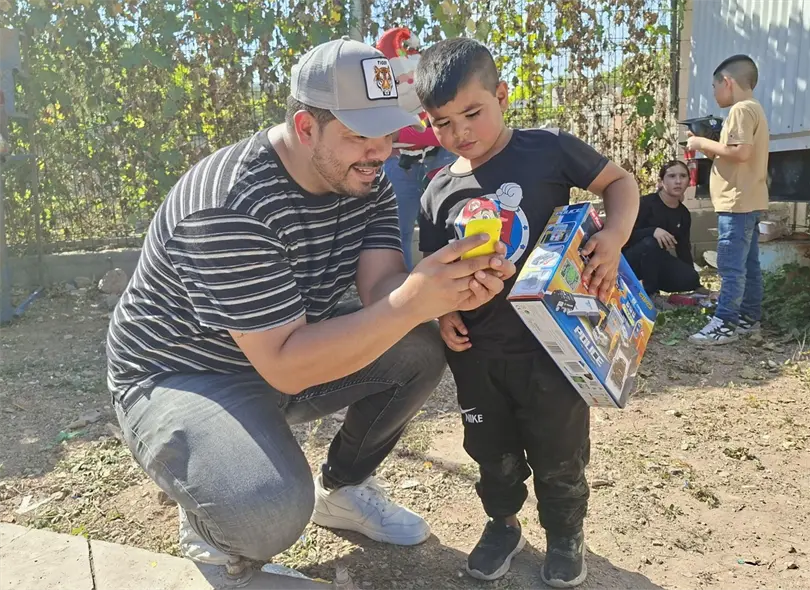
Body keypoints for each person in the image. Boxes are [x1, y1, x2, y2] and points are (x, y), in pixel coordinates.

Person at [106, 36, 517, 583]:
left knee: (420, 342)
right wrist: (412, 300)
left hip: (278, 349)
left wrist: (447, 288)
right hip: (184, 374)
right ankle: (211, 523)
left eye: (388, 133)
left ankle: (344, 489)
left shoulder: (364, 178)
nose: (380, 152)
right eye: (359, 135)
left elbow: (382, 290)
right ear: (305, 128)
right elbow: (288, 364)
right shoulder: (230, 203)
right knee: (267, 511)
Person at [415, 38, 640, 587]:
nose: (460, 132)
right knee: (489, 449)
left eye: (472, 112)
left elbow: (620, 183)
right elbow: (428, 262)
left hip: (552, 349)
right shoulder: (438, 189)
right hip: (475, 353)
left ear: (502, 95)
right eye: (443, 123)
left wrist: (612, 237)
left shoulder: (547, 149)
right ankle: (502, 524)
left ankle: (566, 535)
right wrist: (440, 314)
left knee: (558, 449)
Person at [687, 54, 768, 345]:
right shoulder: (755, 109)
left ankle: (724, 324)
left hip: (736, 203)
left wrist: (700, 142)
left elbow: (741, 152)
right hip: (749, 199)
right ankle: (748, 318)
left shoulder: (741, 110)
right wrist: (709, 147)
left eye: (714, 86)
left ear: (728, 82)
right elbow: (732, 156)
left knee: (731, 267)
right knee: (749, 265)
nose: (713, 92)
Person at [376, 26, 457, 270]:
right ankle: (402, 291)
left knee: (446, 225)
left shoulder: (437, 95)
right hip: (400, 164)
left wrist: (403, 133)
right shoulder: (379, 101)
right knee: (397, 233)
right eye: (399, 80)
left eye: (411, 76)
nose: (408, 82)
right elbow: (382, 134)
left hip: (437, 161)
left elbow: (445, 134)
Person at [623, 160, 701, 295]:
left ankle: (654, 285)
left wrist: (695, 284)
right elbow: (624, 235)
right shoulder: (645, 203)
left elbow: (683, 247)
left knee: (690, 278)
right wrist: (652, 231)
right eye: (672, 176)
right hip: (627, 262)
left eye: (683, 176)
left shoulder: (683, 214)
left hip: (656, 261)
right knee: (651, 243)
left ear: (689, 180)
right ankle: (651, 294)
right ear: (661, 181)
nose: (678, 181)